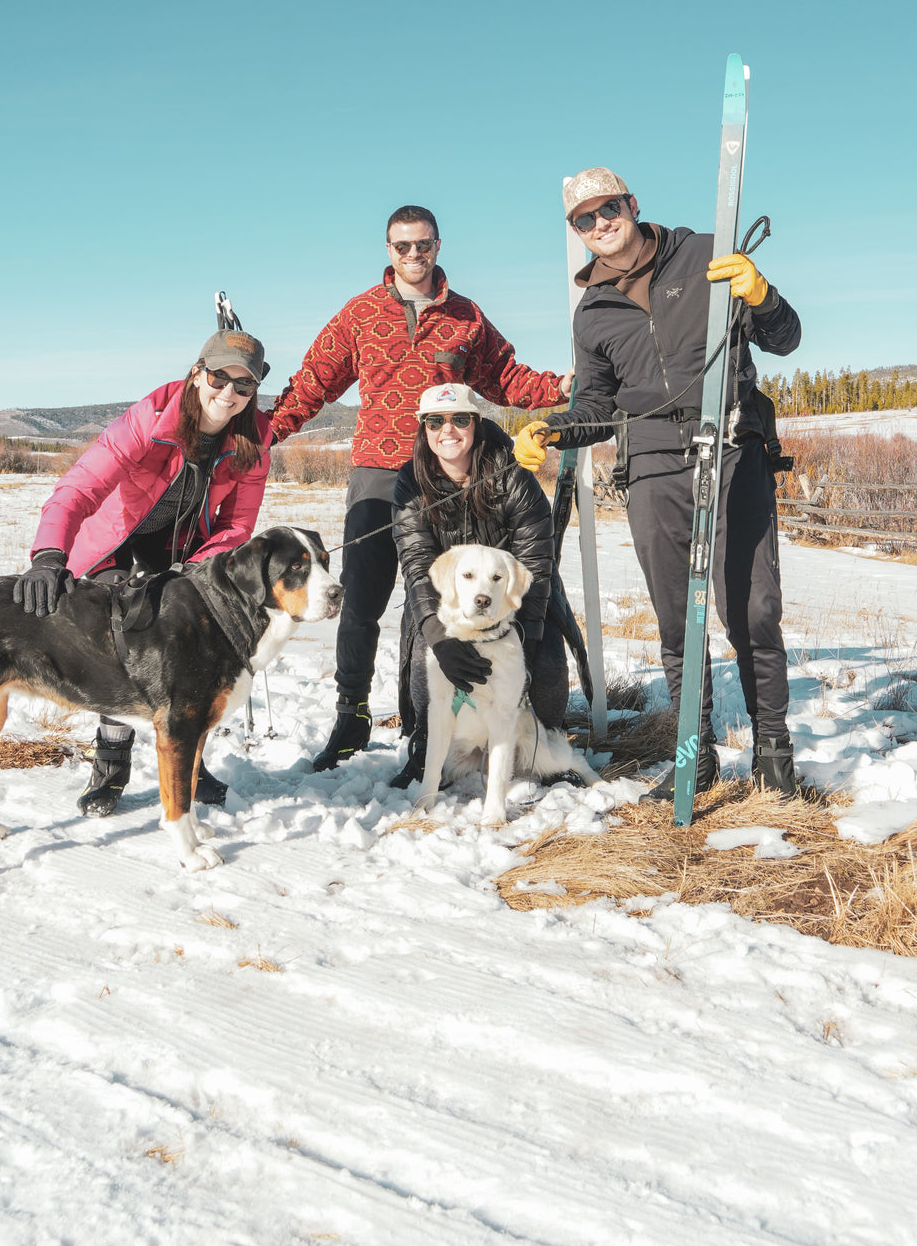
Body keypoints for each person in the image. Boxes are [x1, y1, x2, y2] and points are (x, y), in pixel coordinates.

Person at [514, 167, 802, 798]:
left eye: (608, 208)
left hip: (731, 444)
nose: (600, 223)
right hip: (651, 464)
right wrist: (554, 429)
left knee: (753, 608)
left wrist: (762, 296)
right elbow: (598, 406)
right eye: (584, 219)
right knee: (678, 620)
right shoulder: (592, 312)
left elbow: (786, 339)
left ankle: (773, 754)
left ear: (632, 204)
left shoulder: (705, 254)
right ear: (576, 230)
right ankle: (694, 755)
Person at [269, 203, 572, 769]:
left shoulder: (465, 316)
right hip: (378, 471)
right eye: (403, 245)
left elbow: (505, 375)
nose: (414, 254)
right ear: (388, 250)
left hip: (442, 477)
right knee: (361, 601)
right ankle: (352, 715)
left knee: (428, 598)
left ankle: (427, 724)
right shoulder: (360, 314)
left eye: (424, 244)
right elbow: (314, 382)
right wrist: (264, 432)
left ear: (438, 246)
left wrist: (564, 387)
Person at [14, 326, 273, 816]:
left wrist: (194, 572)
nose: (229, 393)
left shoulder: (254, 438)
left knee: (195, 650)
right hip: (117, 540)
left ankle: (189, 763)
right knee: (123, 646)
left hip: (185, 548)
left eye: (244, 384)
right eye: (219, 378)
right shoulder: (151, 417)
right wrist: (49, 554)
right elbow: (80, 487)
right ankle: (110, 765)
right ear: (197, 373)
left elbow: (237, 524)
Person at [390, 383, 571, 788]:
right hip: (449, 599)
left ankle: (546, 742)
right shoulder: (410, 483)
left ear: (476, 424)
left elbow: (536, 563)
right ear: (423, 428)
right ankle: (426, 747)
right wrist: (438, 636)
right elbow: (418, 566)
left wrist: (522, 639)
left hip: (516, 597)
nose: (447, 429)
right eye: (435, 421)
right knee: (423, 659)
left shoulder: (514, 475)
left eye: (459, 419)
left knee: (546, 664)